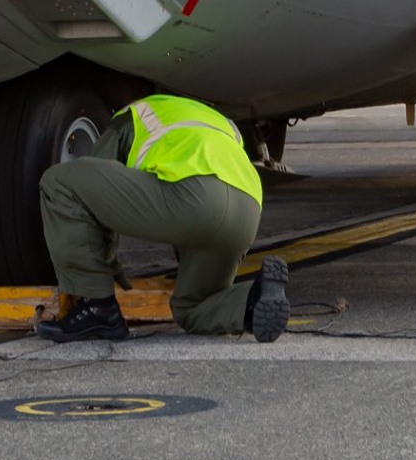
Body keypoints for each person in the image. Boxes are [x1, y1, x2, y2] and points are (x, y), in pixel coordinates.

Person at [34, 93, 288, 343]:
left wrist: (105, 266)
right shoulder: (214, 121)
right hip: (248, 210)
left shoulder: (132, 115)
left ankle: (97, 309)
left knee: (61, 183)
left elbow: (92, 199)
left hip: (196, 200)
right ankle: (253, 300)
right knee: (192, 308)